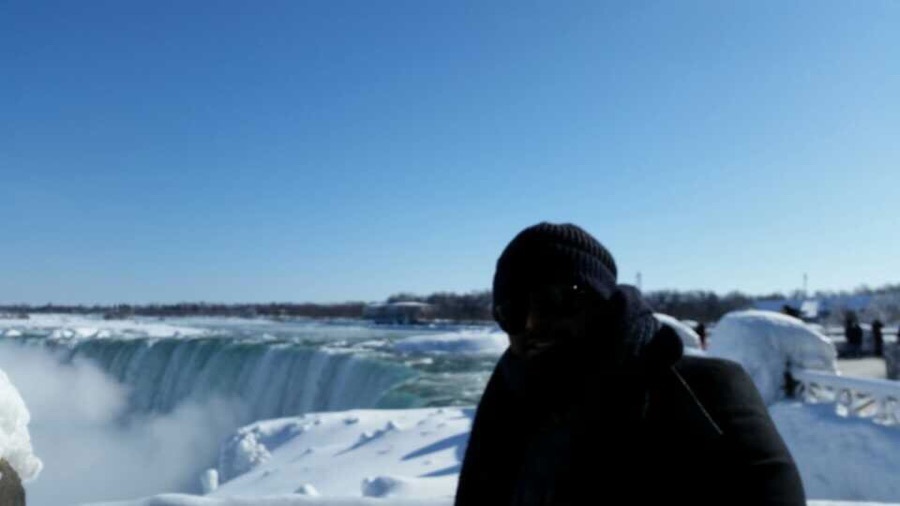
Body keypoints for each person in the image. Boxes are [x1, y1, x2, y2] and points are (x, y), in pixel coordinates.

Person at [456, 222, 805, 506]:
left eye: (557, 300)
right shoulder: (509, 401)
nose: (532, 323)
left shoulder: (705, 390)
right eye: (512, 312)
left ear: (603, 301)